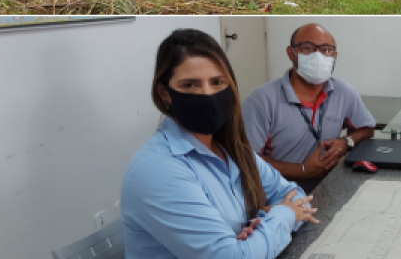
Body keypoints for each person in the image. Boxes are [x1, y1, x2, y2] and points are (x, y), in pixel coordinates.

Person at [121, 29, 318, 259]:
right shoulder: (157, 170)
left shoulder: (231, 149)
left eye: (217, 82)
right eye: (190, 85)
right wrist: (283, 215)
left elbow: (296, 197)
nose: (207, 94)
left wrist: (261, 224)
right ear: (164, 93)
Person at [242, 23, 376, 194]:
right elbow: (247, 161)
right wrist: (303, 170)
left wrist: (346, 142)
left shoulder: (343, 92)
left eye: (326, 50)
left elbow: (367, 129)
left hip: (329, 188)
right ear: (291, 53)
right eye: (308, 48)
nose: (318, 56)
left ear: (334, 55)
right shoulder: (261, 100)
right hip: (277, 195)